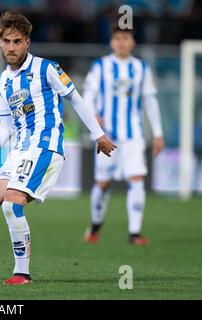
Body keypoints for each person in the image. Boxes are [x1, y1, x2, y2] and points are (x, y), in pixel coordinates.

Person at [0, 12, 116, 285]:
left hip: (45, 148)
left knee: (12, 205)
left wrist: (98, 135)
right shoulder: (1, 82)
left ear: (27, 42)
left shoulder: (47, 69)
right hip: (20, 151)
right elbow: (5, 128)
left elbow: (76, 100)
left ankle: (22, 273)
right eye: (6, 41)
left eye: (17, 41)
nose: (11, 47)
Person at [82, 25, 164, 245]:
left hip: (133, 135)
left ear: (132, 42)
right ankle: (96, 224)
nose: (121, 42)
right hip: (106, 136)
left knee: (137, 178)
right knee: (103, 183)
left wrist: (158, 133)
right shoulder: (100, 66)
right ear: (111, 42)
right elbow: (87, 96)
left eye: (126, 38)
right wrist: (94, 117)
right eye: (117, 38)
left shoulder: (141, 68)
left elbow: (150, 100)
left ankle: (134, 233)